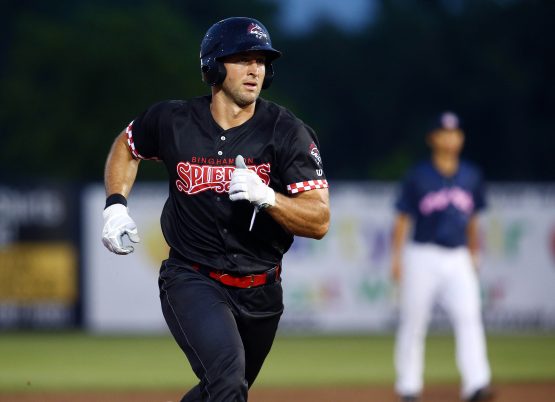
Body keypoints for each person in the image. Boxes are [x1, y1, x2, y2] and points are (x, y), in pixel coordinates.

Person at [101, 17, 330, 402]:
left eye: (261, 61)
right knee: (226, 381)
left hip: (262, 292)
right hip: (193, 278)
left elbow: (319, 219)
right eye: (242, 58)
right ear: (213, 66)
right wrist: (114, 206)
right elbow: (127, 146)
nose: (255, 69)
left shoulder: (288, 132)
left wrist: (269, 197)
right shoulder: (173, 120)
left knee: (219, 390)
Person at [390, 112, 494, 402]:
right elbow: (402, 218)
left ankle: (477, 384)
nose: (451, 138)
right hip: (422, 253)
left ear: (461, 138)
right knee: (413, 321)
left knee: (469, 317)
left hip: (459, 255)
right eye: (445, 133)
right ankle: (409, 388)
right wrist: (396, 258)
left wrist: (474, 252)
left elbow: (473, 219)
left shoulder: (472, 175)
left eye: (456, 133)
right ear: (433, 138)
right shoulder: (418, 175)